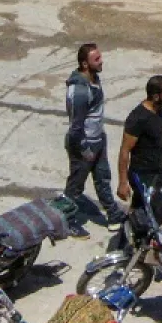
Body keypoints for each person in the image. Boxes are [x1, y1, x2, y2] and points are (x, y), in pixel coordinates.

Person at [64, 43, 126, 227]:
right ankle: (66, 221)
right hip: (84, 147)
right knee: (75, 187)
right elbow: (76, 127)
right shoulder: (80, 92)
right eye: (96, 59)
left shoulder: (94, 79)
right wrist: (85, 150)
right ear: (85, 64)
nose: (101, 61)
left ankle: (113, 214)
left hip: (98, 140)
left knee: (103, 178)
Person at [116, 75, 162, 222]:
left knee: (140, 211)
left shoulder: (158, 111)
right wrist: (122, 182)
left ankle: (128, 232)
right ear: (156, 97)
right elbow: (124, 150)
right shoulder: (138, 118)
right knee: (161, 217)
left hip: (155, 172)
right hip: (142, 175)